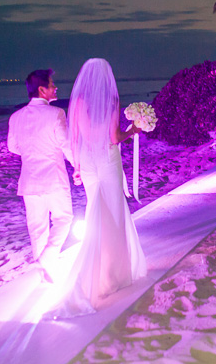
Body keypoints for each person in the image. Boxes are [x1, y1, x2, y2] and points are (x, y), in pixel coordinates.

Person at [50, 58, 147, 317]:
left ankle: (99, 273)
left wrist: (77, 167)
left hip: (88, 160)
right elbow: (114, 138)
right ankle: (111, 275)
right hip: (106, 158)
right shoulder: (112, 102)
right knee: (113, 214)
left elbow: (76, 137)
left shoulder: (79, 103)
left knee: (96, 210)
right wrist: (133, 130)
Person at [7, 69, 74, 282]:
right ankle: (46, 261)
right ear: (42, 89)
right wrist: (78, 167)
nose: (56, 88)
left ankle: (44, 273)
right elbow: (66, 145)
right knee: (64, 219)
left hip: (29, 180)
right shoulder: (56, 114)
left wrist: (32, 152)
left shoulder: (15, 117)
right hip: (54, 177)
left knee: (37, 228)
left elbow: (13, 147)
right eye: (52, 85)